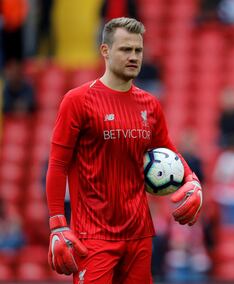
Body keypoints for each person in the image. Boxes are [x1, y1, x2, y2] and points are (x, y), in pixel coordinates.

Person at [45, 17, 203, 284]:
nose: (133, 57)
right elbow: (58, 165)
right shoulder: (77, 101)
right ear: (105, 51)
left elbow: (167, 149)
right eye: (125, 49)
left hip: (140, 236)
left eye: (138, 50)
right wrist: (57, 224)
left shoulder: (150, 105)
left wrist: (192, 179)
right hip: (93, 238)